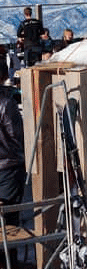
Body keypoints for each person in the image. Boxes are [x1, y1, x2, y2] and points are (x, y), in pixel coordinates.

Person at [0, 57, 25, 267]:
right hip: (8, 169)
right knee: (9, 224)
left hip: (6, 167)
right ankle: (10, 263)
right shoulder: (7, 103)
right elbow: (16, 136)